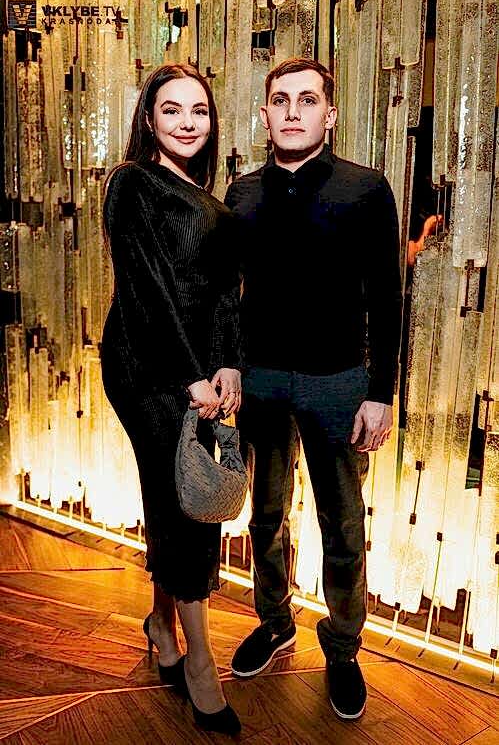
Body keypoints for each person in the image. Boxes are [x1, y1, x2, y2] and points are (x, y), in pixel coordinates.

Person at [225, 57, 402, 720]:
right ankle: (275, 622)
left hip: (338, 382)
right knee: (265, 514)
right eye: (281, 99)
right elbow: (227, 296)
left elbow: (387, 298)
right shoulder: (242, 194)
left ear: (329, 115)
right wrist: (226, 369)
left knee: (343, 523)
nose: (292, 110)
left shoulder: (365, 188)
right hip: (262, 380)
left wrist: (381, 392)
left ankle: (343, 647)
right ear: (265, 114)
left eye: (307, 99)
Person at [100, 63, 242, 736]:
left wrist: (228, 364)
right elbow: (146, 288)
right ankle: (200, 666)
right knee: (186, 509)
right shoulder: (131, 183)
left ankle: (161, 624)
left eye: (199, 111)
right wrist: (192, 378)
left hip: (199, 370)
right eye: (172, 110)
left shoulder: (211, 201)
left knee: (174, 494)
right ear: (149, 119)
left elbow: (223, 296)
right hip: (146, 367)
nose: (187, 122)